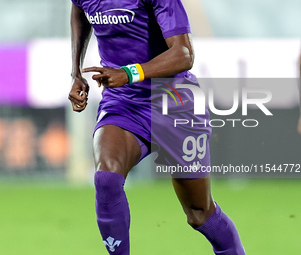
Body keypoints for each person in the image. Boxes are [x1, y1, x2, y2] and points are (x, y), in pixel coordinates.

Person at [68, 0, 246, 254]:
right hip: (123, 102)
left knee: (200, 214)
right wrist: (75, 71)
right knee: (106, 177)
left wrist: (129, 73)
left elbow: (184, 54)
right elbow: (79, 11)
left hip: (175, 101)